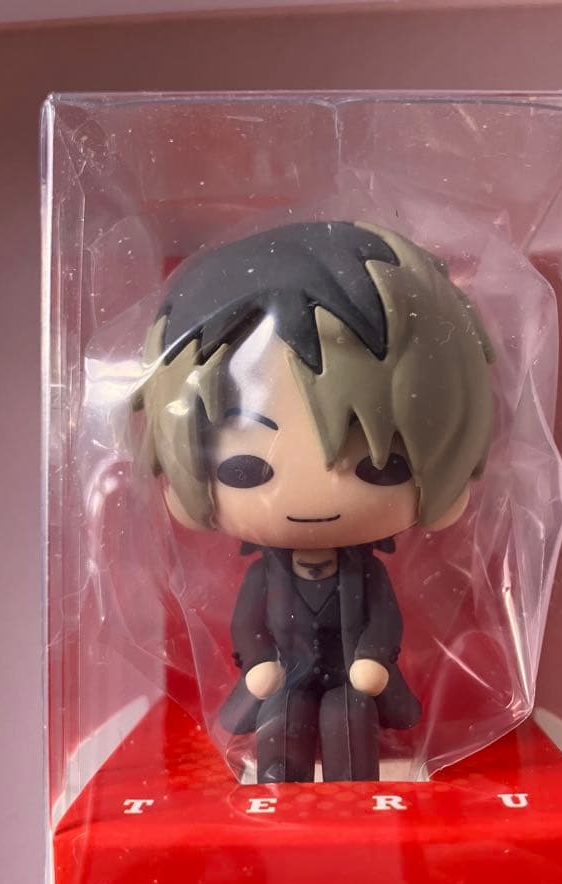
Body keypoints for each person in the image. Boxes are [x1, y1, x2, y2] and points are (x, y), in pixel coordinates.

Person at [137, 220, 493, 782]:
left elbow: (384, 618)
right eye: (245, 468)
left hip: (355, 679)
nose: (319, 491)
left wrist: (373, 657)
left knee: (349, 718)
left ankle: (354, 793)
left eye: (380, 466)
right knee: (281, 720)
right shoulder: (266, 576)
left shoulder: (366, 574)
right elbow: (249, 624)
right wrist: (258, 662)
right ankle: (280, 788)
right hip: (282, 678)